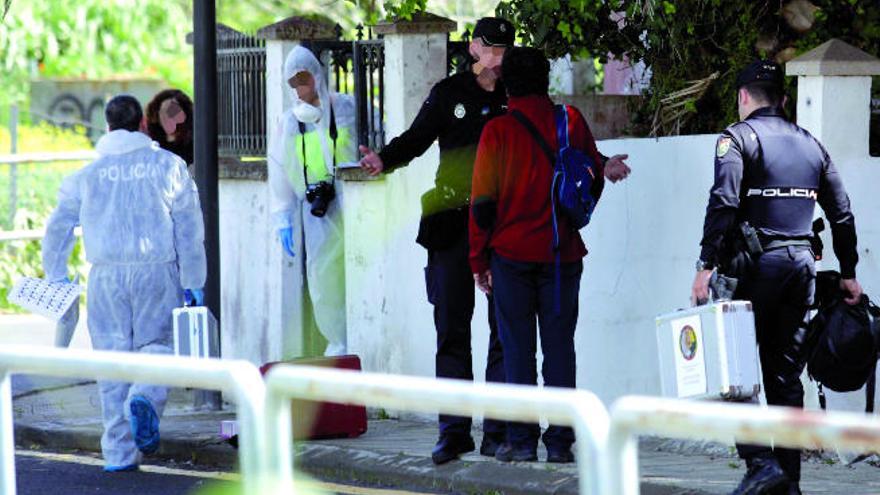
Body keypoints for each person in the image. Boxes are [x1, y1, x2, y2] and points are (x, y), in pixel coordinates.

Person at [690, 60, 862, 495]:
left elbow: (724, 203)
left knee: (735, 371)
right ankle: (788, 481)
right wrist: (848, 273)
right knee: (784, 378)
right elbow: (841, 214)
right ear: (783, 100)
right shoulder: (812, 145)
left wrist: (705, 265)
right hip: (802, 269)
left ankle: (760, 464)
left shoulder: (737, 139)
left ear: (743, 96)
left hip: (753, 271)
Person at [469, 46, 629, 463]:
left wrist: (478, 261)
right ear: (546, 79)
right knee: (560, 350)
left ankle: (521, 443)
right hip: (562, 257)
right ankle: (560, 443)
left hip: (511, 258)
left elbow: (482, 206)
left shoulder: (497, 131)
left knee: (518, 351)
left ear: (507, 82)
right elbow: (591, 176)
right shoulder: (569, 120)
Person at [41, 94, 206, 472]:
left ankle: (118, 453)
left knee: (111, 362)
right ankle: (146, 394)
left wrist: (57, 273)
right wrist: (194, 279)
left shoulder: (86, 175)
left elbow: (57, 227)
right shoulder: (169, 166)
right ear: (143, 125)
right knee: (159, 345)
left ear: (108, 125)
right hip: (157, 270)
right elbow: (189, 227)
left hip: (105, 275)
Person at [267, 45, 353, 357]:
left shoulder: (346, 109)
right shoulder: (289, 123)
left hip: (351, 203)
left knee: (355, 274)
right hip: (316, 213)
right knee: (323, 279)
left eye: (304, 80)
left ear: (317, 77)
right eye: (294, 83)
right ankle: (338, 341)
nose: (300, 89)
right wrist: (282, 214)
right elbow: (279, 169)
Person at [144, 89, 194, 167]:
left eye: (173, 111)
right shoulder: (151, 148)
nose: (168, 116)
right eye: (163, 111)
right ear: (157, 116)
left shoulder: (194, 147)